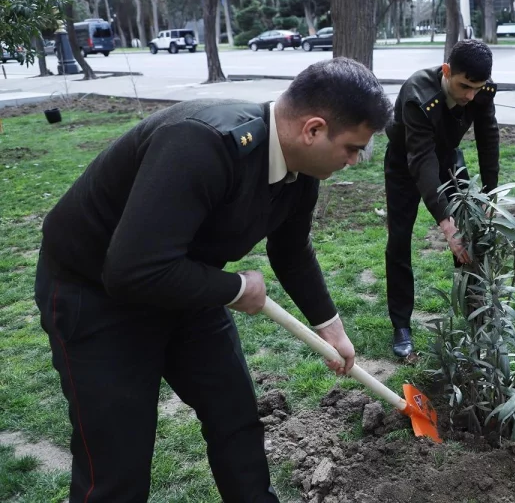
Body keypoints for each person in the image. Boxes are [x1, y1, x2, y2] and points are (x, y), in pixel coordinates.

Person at [34, 58, 392, 502]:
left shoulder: (301, 171)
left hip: (187, 285)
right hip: (98, 297)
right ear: (313, 129)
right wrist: (238, 288)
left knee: (236, 418)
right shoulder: (202, 143)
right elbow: (131, 270)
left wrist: (330, 326)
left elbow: (291, 250)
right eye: (354, 148)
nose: (355, 161)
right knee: (117, 464)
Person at [383, 40, 500, 358]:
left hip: (448, 158)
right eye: (464, 86)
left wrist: (489, 197)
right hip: (406, 162)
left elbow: (488, 137)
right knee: (399, 240)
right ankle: (401, 325)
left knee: (470, 234)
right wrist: (446, 225)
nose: (469, 96)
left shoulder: (480, 92)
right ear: (446, 71)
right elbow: (421, 161)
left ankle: (476, 317)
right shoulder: (418, 94)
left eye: (477, 88)